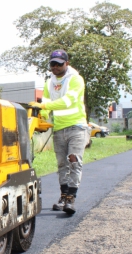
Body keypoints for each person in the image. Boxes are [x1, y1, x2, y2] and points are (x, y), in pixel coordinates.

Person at [30, 49, 88, 214]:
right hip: (59, 129)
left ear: (66, 64)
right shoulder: (49, 82)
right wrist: (41, 115)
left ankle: (71, 199)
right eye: (52, 64)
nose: (55, 67)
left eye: (59, 64)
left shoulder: (75, 79)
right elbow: (47, 103)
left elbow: (67, 102)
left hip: (77, 127)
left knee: (74, 161)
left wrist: (43, 106)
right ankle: (63, 196)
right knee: (62, 164)